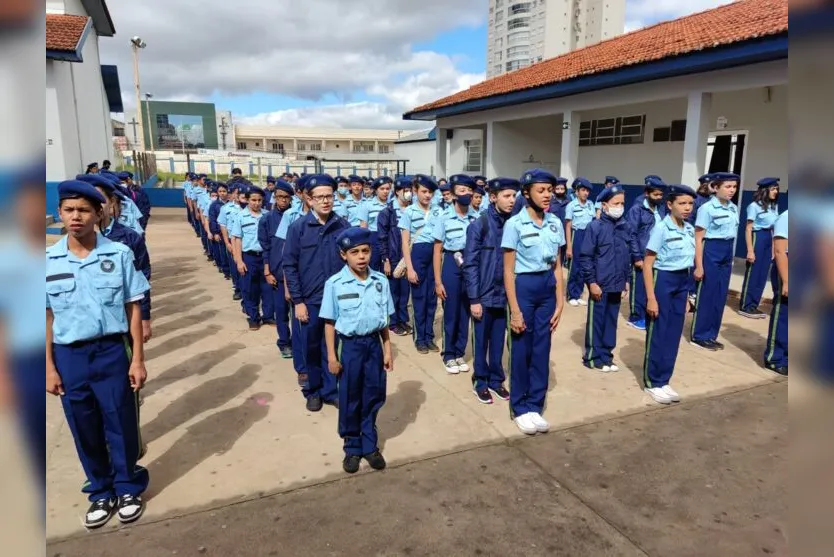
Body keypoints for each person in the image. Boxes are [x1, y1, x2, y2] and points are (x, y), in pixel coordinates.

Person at [46, 180, 150, 528]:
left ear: (98, 213)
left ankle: (127, 487)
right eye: (69, 210)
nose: (76, 217)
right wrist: (47, 367)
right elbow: (44, 317)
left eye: (84, 210)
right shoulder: (46, 260)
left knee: (120, 421)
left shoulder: (118, 254)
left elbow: (134, 308)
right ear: (60, 213)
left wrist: (137, 359)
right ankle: (101, 491)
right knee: (83, 425)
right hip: (69, 355)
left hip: (110, 350)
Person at [321, 227, 394, 474]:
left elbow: (384, 321)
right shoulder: (335, 284)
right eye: (355, 252)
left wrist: (387, 349)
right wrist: (332, 356)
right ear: (344, 255)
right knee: (350, 397)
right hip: (349, 347)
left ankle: (369, 446)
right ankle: (352, 447)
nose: (361, 256)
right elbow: (329, 323)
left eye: (365, 251)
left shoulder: (380, 282)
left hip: (373, 344)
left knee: (373, 395)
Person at [502, 169, 566, 435]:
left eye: (549, 190)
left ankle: (535, 406)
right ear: (526, 193)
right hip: (524, 288)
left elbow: (558, 266)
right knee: (521, 349)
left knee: (542, 348)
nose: (547, 195)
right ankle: (519, 407)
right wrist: (515, 310)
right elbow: (507, 271)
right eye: (541, 190)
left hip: (547, 289)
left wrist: (560, 301)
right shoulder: (514, 225)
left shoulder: (555, 223)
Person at [283, 174, 350, 411]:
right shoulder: (298, 228)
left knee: (333, 346)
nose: (325, 201)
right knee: (310, 346)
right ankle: (312, 390)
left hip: (336, 300)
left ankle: (331, 390)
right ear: (309, 200)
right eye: (320, 197)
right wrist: (298, 301)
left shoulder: (342, 226)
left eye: (329, 196)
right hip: (309, 300)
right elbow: (289, 265)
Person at [463, 177, 517, 404]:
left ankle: (496, 380)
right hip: (483, 295)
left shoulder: (515, 224)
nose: (512, 200)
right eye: (507, 196)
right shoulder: (480, 225)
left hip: (504, 296)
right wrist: (474, 298)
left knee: (498, 341)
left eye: (514, 196)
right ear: (493, 197)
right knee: (481, 341)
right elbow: (470, 264)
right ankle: (481, 381)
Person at [642, 185, 697, 404]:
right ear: (669, 204)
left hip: (682, 281)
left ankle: (665, 379)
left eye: (690, 204)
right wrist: (651, 297)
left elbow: (688, 264)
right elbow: (647, 265)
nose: (687, 208)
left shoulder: (689, 229)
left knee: (674, 333)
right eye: (682, 203)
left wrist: (687, 295)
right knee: (658, 332)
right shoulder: (661, 229)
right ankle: (652, 382)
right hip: (662, 280)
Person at [579, 186, 642, 372]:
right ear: (605, 205)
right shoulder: (595, 227)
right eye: (616, 203)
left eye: (622, 203)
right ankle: (592, 356)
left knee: (610, 322)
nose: (620, 207)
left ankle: (607, 356)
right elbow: (586, 257)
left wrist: (627, 281)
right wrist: (591, 282)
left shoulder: (625, 227)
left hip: (617, 283)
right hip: (600, 283)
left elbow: (628, 255)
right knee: (597, 321)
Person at [92, 178, 153, 345]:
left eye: (99, 199)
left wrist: (144, 317)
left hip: (120, 321)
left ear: (111, 202)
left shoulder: (129, 238)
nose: (93, 206)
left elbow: (142, 281)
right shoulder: (66, 249)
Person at [433, 174, 477, 374]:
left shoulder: (476, 218)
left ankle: (459, 352)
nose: (466, 194)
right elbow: (437, 250)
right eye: (462, 190)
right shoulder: (443, 218)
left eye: (469, 190)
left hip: (470, 264)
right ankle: (448, 354)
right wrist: (438, 281)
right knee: (451, 311)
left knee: (465, 311)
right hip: (451, 263)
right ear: (452, 194)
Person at [690, 172, 740, 350]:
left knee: (720, 295)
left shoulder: (733, 208)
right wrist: (699, 265)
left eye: (734, 186)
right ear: (715, 187)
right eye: (728, 186)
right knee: (707, 294)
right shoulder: (707, 209)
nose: (732, 190)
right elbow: (698, 239)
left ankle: (711, 334)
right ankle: (699, 335)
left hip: (726, 251)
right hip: (711, 250)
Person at [400, 174, 442, 354]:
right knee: (419, 299)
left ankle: (429, 336)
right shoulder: (409, 212)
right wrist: (409, 268)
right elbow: (405, 242)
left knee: (432, 299)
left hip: (435, 254)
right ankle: (419, 338)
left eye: (430, 192)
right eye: (424, 191)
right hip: (417, 255)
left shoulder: (438, 211)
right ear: (415, 191)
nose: (427, 195)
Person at [259, 179, 295, 358]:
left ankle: (297, 342)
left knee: (297, 314)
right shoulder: (266, 219)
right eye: (279, 197)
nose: (283, 201)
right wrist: (267, 271)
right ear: (274, 197)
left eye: (286, 197)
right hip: (277, 272)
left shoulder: (296, 217)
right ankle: (284, 342)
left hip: (294, 274)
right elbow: (265, 247)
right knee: (281, 312)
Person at [625, 180, 666, 330]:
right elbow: (631, 234)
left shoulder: (661, 209)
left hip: (656, 254)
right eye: (655, 194)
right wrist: (636, 256)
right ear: (647, 194)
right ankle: (636, 316)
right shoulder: (637, 210)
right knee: (639, 287)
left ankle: (647, 314)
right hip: (641, 253)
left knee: (650, 286)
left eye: (661, 194)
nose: (659, 197)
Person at [740, 177, 781, 318]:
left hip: (769, 238)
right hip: (758, 237)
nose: (776, 191)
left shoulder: (773, 206)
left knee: (763, 274)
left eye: (777, 189)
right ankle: (746, 305)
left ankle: (754, 305)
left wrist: (774, 247)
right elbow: (748, 229)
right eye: (773, 189)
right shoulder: (754, 206)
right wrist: (750, 250)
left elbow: (774, 228)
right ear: (765, 190)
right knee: (753, 273)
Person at [378, 176, 413, 336]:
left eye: (410, 190)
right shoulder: (388, 212)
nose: (409, 194)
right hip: (392, 256)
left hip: (407, 255)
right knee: (393, 291)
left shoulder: (413, 210)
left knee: (405, 291)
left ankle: (402, 320)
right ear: (398, 192)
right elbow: (382, 238)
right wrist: (385, 260)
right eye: (406, 190)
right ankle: (392, 322)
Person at [231, 185, 269, 330]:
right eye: (253, 200)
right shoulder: (240, 216)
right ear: (247, 200)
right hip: (249, 257)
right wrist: (239, 260)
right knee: (250, 289)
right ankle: (253, 317)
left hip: (264, 257)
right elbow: (236, 239)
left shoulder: (267, 215)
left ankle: (267, 316)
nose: (257, 203)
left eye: (259, 200)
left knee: (266, 288)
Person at [763, 210, 788, 375]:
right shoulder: (787, 217)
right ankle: (775, 358)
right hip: (788, 265)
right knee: (784, 312)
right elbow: (779, 251)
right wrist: (786, 280)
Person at [564, 177, 595, 306]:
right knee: (574, 266)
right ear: (577, 192)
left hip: (588, 235)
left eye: (587, 191)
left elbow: (593, 222)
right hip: (576, 235)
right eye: (583, 190)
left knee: (584, 265)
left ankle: (579, 293)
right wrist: (569, 246)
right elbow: (568, 225)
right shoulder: (571, 205)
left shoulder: (590, 204)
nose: (585, 193)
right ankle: (572, 294)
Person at [358, 176, 393, 271]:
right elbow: (363, 228)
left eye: (387, 189)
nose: (385, 191)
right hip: (374, 239)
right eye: (382, 189)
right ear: (376, 190)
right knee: (373, 268)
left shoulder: (393, 205)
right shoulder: (367, 205)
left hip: (390, 240)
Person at [219, 182, 245, 300]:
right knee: (235, 265)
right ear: (233, 194)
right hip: (232, 239)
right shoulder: (226, 208)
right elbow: (223, 226)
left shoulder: (250, 207)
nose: (240, 195)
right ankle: (238, 288)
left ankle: (246, 289)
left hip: (247, 240)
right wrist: (227, 243)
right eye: (237, 193)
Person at [208, 183, 231, 279]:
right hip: (220, 232)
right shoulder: (214, 205)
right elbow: (212, 219)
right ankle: (226, 270)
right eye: (220, 191)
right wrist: (215, 233)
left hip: (231, 232)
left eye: (224, 191)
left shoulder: (231, 204)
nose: (222, 193)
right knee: (223, 251)